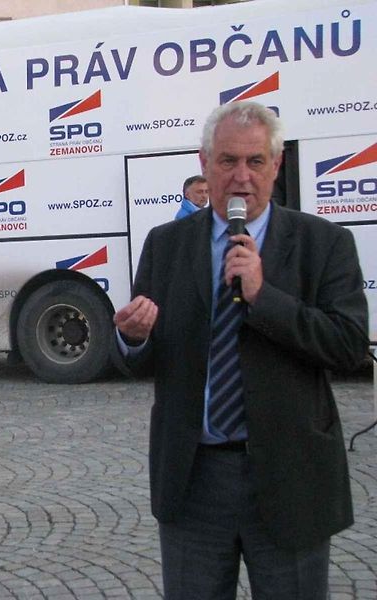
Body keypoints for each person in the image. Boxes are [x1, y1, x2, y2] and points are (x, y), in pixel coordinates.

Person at [112, 101, 368, 599]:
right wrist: (133, 337)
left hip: (290, 477)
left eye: (255, 162)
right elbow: (144, 359)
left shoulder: (325, 243)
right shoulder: (166, 244)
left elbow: (347, 345)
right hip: (194, 479)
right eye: (228, 161)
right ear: (204, 163)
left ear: (277, 166)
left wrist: (262, 297)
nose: (241, 176)